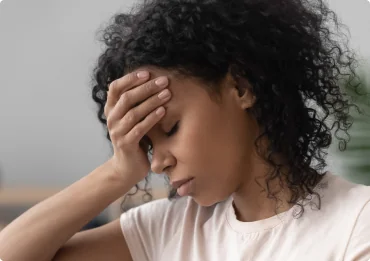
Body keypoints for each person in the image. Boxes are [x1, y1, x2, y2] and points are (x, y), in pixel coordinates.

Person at [0, 0, 369, 260]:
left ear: (241, 87)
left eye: (171, 128)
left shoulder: (356, 223)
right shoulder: (165, 231)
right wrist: (118, 173)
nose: (159, 163)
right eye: (147, 145)